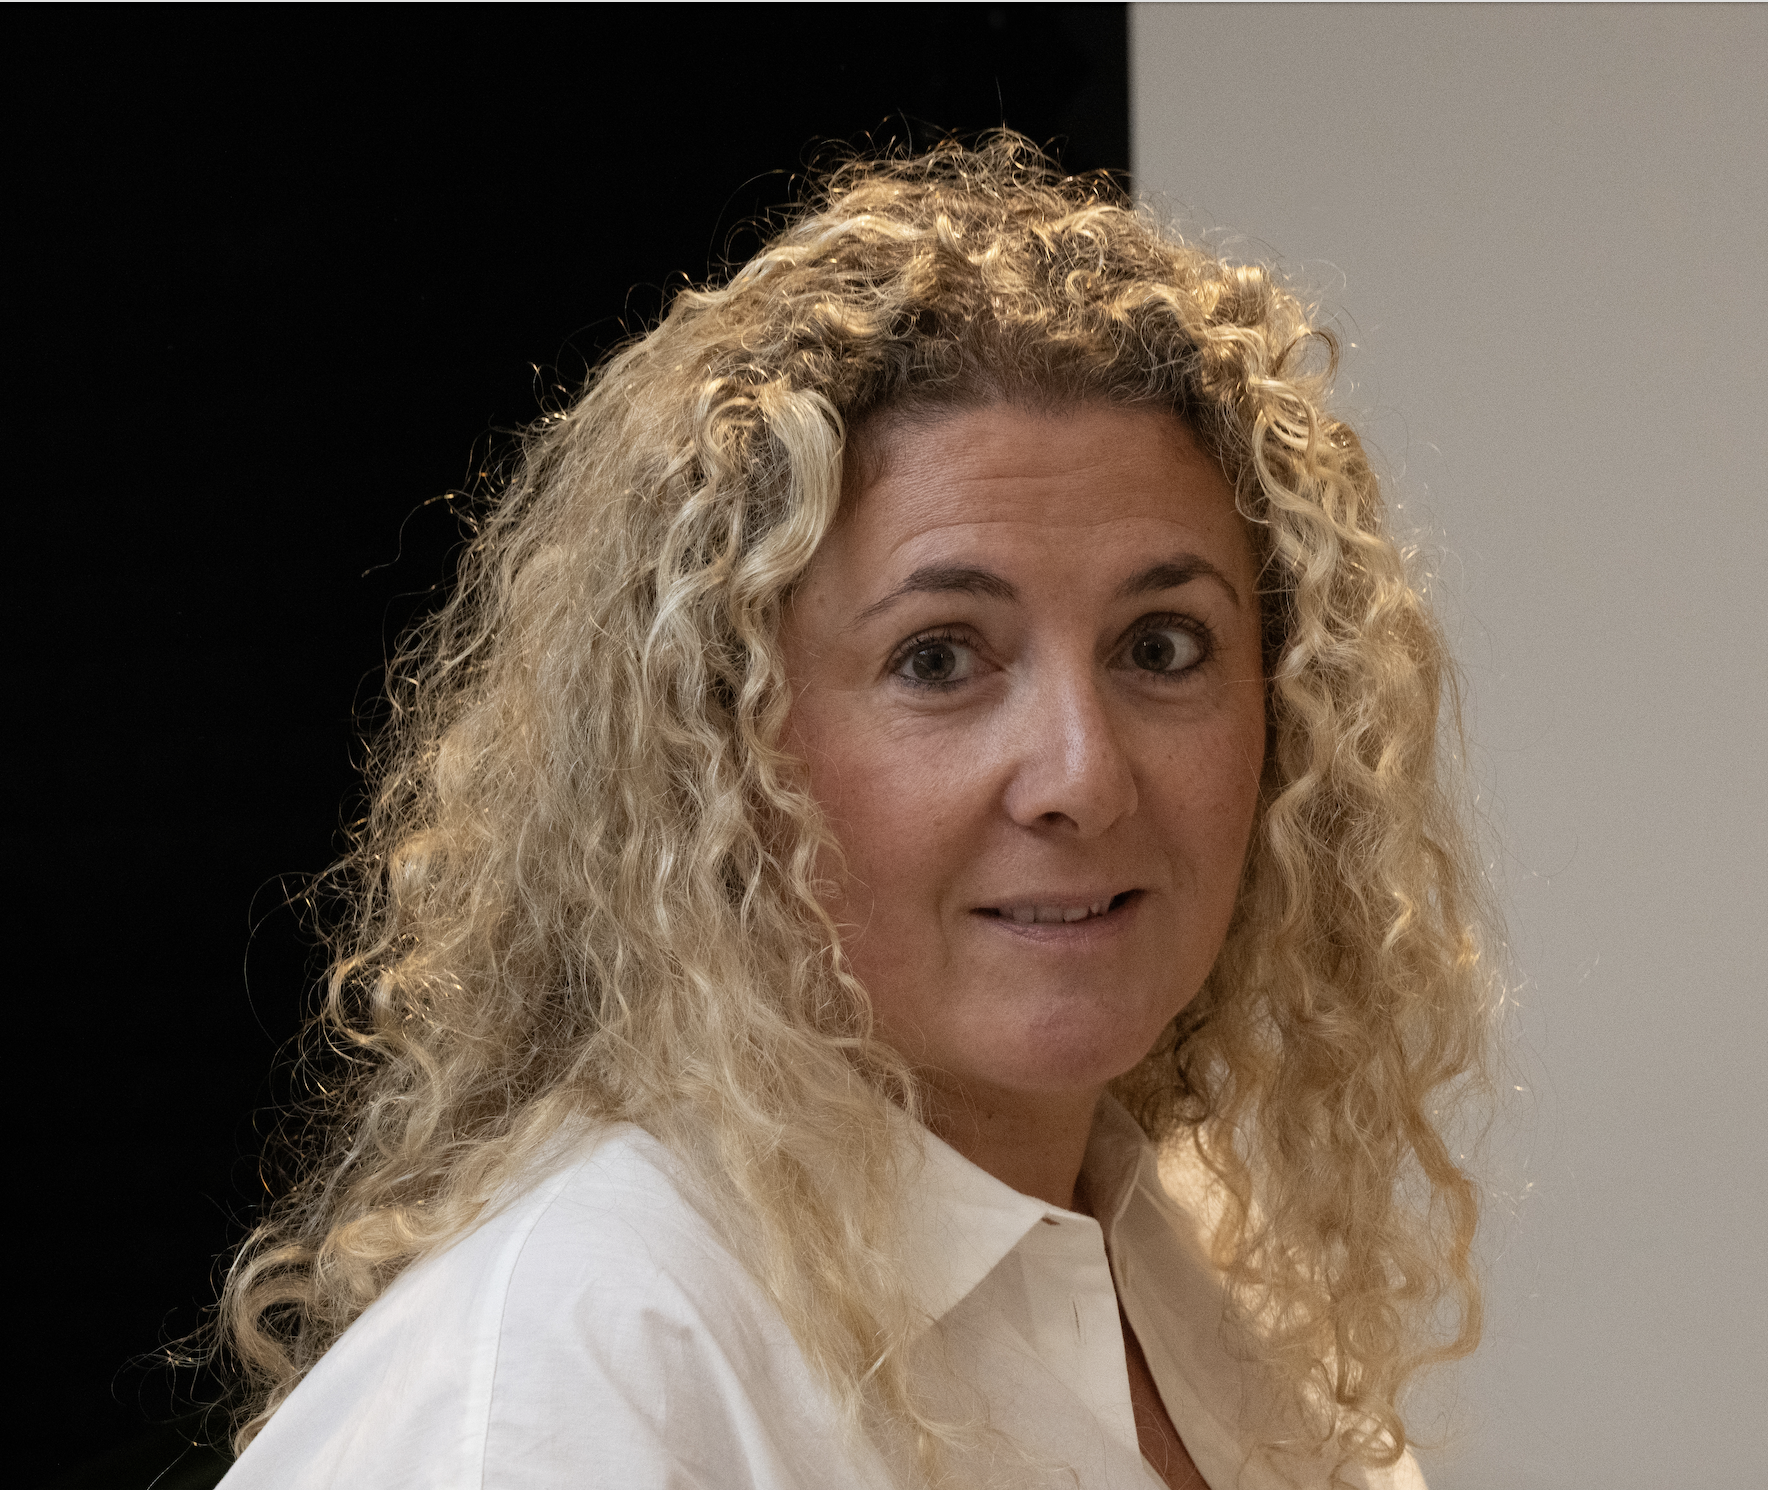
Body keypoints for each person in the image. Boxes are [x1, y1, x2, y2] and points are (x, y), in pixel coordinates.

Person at [214, 136, 1492, 1490]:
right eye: (940, 657)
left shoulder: (1206, 1285)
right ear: (721, 741)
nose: (1082, 773)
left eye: (1163, 646)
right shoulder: (569, 1377)